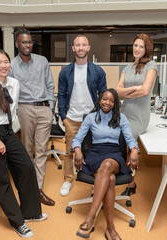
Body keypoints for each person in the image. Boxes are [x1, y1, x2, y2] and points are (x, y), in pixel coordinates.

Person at [0, 49, 47, 238]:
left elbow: (10, 111)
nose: (4, 66)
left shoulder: (14, 83)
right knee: (1, 177)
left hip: (6, 129)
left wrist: (7, 136)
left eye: (6, 62)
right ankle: (17, 222)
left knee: (26, 166)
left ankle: (30, 212)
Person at [72, 88, 139, 240]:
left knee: (108, 165)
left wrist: (134, 149)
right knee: (110, 179)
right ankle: (110, 229)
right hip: (95, 154)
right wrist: (77, 149)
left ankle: (90, 217)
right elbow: (77, 139)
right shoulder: (91, 118)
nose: (107, 103)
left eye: (111, 100)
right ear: (99, 100)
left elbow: (129, 138)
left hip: (114, 155)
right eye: (104, 99)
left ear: (115, 104)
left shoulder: (121, 118)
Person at [9, 28, 55, 206]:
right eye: (23, 42)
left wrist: (50, 108)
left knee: (41, 151)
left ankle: (39, 190)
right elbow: (10, 92)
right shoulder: (12, 65)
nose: (27, 45)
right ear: (17, 44)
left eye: (29, 42)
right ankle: (28, 187)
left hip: (44, 109)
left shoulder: (42, 61)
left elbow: (50, 84)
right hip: (25, 109)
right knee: (27, 150)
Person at [58, 34, 107, 197]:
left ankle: (94, 181)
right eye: (77, 45)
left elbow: (103, 96)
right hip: (72, 118)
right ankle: (68, 179)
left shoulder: (97, 71)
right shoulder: (65, 71)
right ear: (73, 48)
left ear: (88, 48)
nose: (80, 48)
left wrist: (101, 117)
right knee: (69, 151)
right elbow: (62, 95)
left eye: (83, 45)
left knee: (93, 151)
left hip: (92, 119)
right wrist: (64, 117)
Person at [115, 33, 157, 196]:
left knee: (125, 140)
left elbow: (146, 90)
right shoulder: (127, 68)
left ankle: (128, 178)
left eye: (141, 46)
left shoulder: (151, 65)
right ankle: (130, 181)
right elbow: (117, 93)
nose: (137, 49)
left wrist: (126, 92)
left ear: (146, 49)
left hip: (139, 115)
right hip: (124, 112)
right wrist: (135, 89)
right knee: (112, 139)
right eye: (135, 45)